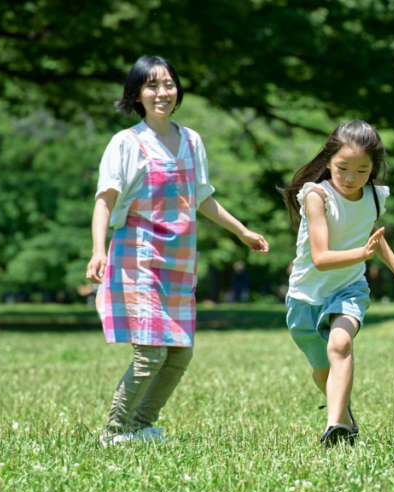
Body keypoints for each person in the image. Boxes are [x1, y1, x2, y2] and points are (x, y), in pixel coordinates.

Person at [87, 56, 269, 446]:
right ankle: (115, 431)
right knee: (150, 355)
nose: (162, 93)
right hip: (139, 257)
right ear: (137, 95)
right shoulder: (126, 142)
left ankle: (141, 427)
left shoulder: (192, 140)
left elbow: (201, 198)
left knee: (179, 355)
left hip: (180, 261)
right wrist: (97, 249)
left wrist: (242, 231)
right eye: (152, 86)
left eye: (168, 84)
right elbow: (105, 200)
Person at [278, 120, 394, 447]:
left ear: (373, 169)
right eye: (342, 168)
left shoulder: (373, 196)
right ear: (328, 160)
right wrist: (363, 253)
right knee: (321, 370)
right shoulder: (317, 196)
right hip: (305, 296)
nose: (349, 178)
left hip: (348, 289)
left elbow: (372, 233)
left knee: (340, 344)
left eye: (362, 170)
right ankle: (345, 419)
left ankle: (334, 427)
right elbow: (320, 257)